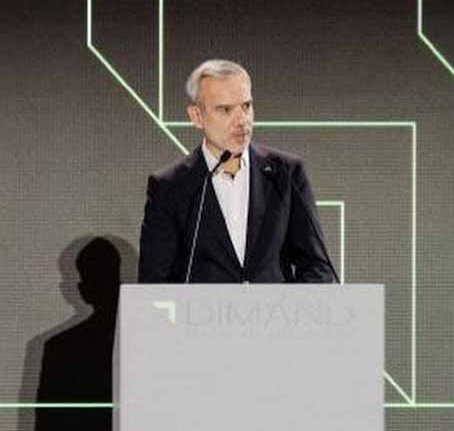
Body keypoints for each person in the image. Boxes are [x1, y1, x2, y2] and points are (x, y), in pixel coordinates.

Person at [138, 59, 337, 283]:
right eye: (225, 109)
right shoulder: (170, 187)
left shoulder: (285, 174)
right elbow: (154, 283)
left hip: (273, 307)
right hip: (204, 307)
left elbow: (317, 267)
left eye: (246, 106)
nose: (242, 120)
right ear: (197, 116)